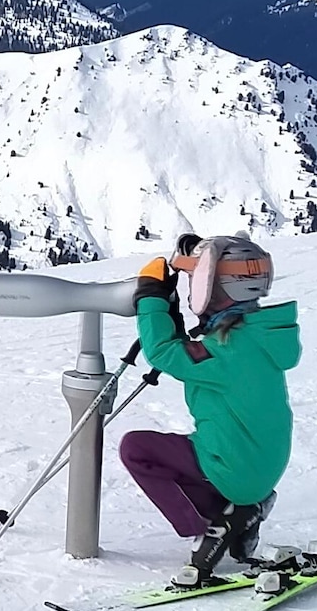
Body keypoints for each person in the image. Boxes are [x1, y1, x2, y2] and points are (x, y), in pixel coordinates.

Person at [118, 231, 299, 583]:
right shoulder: (257, 335)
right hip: (261, 468)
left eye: (198, 279)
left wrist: (151, 298)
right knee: (195, 448)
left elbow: (163, 353)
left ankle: (210, 525)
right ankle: (242, 510)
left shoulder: (226, 349)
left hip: (235, 468)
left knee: (137, 449)